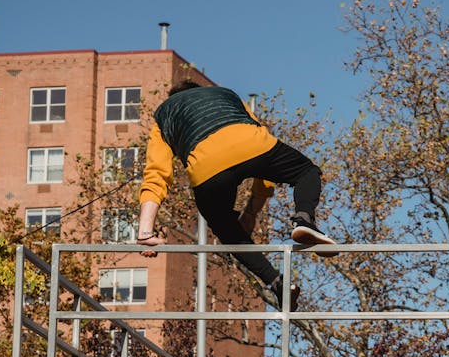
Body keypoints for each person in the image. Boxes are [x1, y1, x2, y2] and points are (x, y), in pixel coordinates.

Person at [134, 80, 335, 310]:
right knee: (305, 171)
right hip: (252, 144)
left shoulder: (164, 115)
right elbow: (259, 134)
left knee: (226, 229)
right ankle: (304, 219)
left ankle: (277, 282)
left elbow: (157, 174)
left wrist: (145, 232)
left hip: (206, 168)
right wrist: (251, 212)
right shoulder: (226, 95)